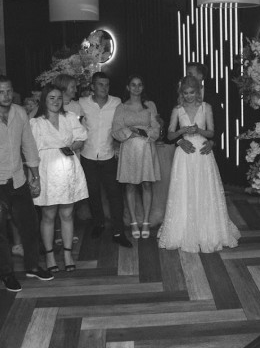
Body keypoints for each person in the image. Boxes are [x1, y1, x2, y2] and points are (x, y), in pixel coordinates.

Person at [0, 75, 53, 292]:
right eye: (1, 92)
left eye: (9, 91)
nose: (6, 95)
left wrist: (35, 176)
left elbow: (28, 144)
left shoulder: (20, 112)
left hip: (18, 181)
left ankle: (33, 266)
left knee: (30, 225)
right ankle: (7, 274)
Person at [158, 76, 239, 253]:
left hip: (203, 154)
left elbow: (211, 132)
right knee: (184, 190)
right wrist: (182, 132)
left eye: (192, 92)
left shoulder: (206, 107)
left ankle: (207, 231)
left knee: (204, 190)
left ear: (198, 92)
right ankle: (182, 231)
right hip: (184, 155)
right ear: (181, 93)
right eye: (185, 93)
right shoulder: (177, 110)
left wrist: (198, 130)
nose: (189, 96)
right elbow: (169, 135)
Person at [30, 85, 89, 273]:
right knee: (48, 215)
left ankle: (67, 254)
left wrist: (73, 146)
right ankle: (49, 256)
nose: (56, 101)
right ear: (44, 100)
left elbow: (81, 137)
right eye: (51, 98)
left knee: (67, 214)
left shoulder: (69, 117)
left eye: (58, 98)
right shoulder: (36, 122)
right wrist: (33, 176)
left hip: (67, 167)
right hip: (46, 169)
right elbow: (30, 150)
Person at [78, 72, 133, 247]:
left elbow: (123, 124)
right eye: (100, 84)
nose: (104, 88)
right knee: (93, 193)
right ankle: (99, 224)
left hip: (109, 155)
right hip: (88, 155)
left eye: (107, 84)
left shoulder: (116, 102)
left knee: (115, 195)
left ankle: (119, 232)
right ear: (92, 87)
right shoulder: (82, 103)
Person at [111, 75, 161, 240]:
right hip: (129, 149)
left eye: (139, 85)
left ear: (143, 87)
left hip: (146, 148)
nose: (136, 88)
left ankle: (145, 221)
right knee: (130, 186)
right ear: (128, 87)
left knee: (147, 184)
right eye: (133, 85)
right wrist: (130, 132)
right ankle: (133, 221)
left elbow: (156, 128)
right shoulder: (121, 107)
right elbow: (116, 130)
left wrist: (145, 132)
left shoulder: (150, 105)